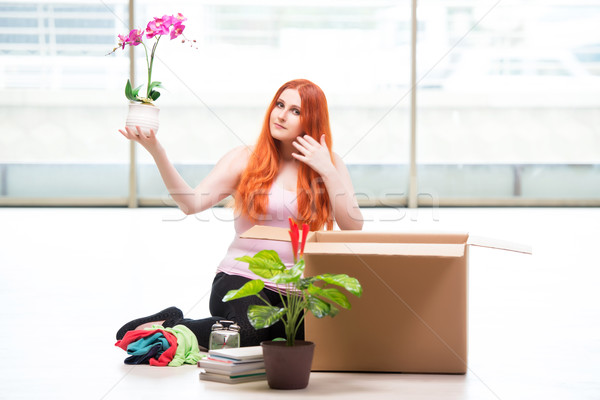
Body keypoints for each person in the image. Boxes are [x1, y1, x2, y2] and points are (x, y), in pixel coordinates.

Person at [116, 79, 363, 348]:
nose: (281, 115)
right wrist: (157, 152)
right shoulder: (244, 158)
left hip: (297, 289)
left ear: (311, 120)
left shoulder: (331, 163)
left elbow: (352, 226)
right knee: (250, 333)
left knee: (307, 338)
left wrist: (327, 170)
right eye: (279, 105)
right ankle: (171, 323)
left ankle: (202, 326)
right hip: (242, 280)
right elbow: (191, 204)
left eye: (295, 111)